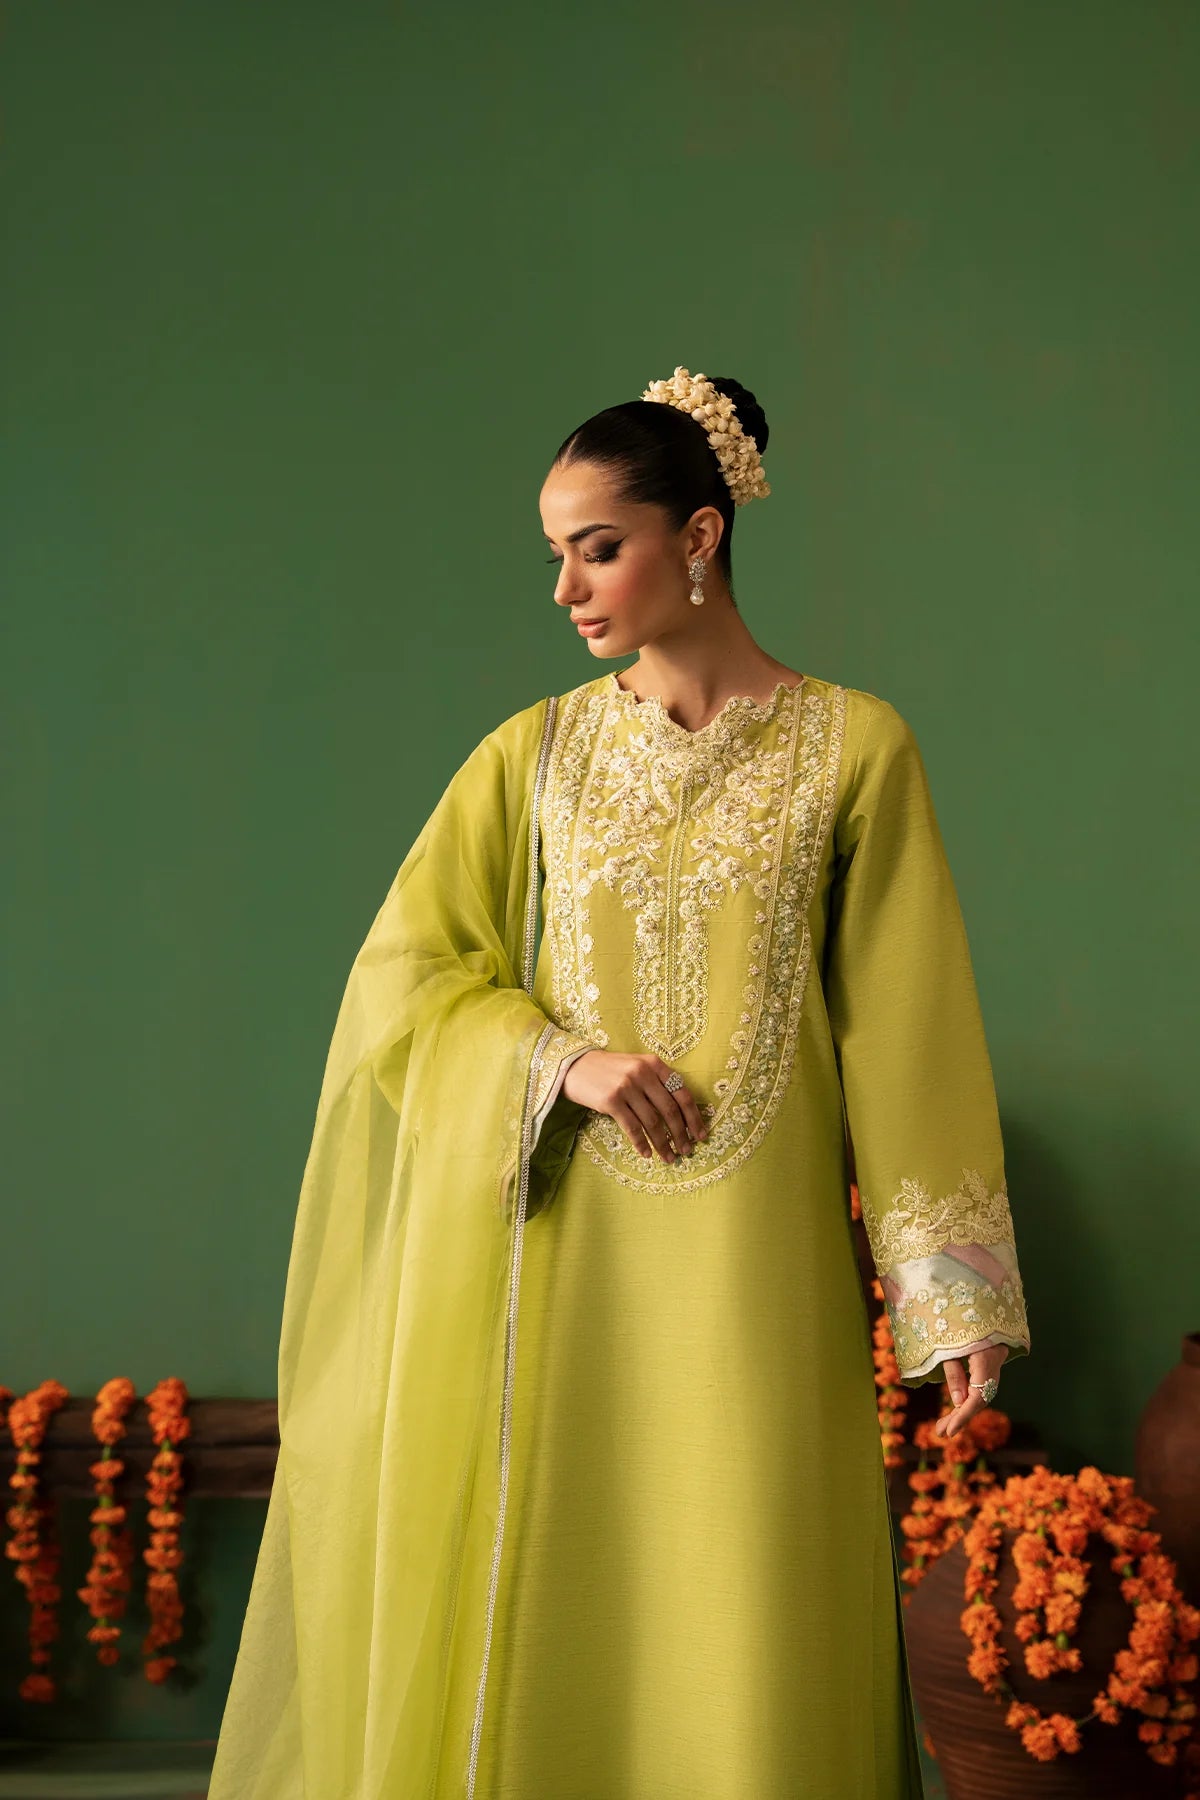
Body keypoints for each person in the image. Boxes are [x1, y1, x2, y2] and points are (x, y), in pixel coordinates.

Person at [208, 365, 1031, 1800]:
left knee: (748, 1600)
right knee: (566, 1591)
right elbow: (404, 982)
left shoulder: (856, 750)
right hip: (568, 1274)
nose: (568, 590)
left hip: (757, 1277)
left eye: (598, 548)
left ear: (699, 536)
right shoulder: (531, 760)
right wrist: (561, 1061)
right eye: (557, 554)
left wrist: (950, 1293)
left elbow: (907, 1030)